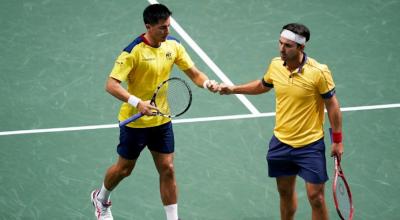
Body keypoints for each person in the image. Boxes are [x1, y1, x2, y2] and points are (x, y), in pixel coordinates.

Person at [90, 4, 218, 220]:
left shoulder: (173, 45)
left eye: (168, 26)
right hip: (135, 123)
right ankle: (100, 198)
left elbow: (194, 73)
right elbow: (111, 85)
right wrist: (137, 102)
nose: (167, 32)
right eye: (162, 28)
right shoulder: (132, 52)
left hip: (161, 120)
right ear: (148, 27)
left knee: (167, 168)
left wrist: (208, 84)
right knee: (124, 170)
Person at [219, 23, 343, 220]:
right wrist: (234, 89)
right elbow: (263, 84)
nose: (282, 49)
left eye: (288, 46)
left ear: (301, 48)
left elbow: (333, 105)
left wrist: (337, 140)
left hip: (310, 145)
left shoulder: (319, 72)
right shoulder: (276, 64)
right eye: (280, 43)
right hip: (280, 143)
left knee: (316, 197)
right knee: (285, 193)